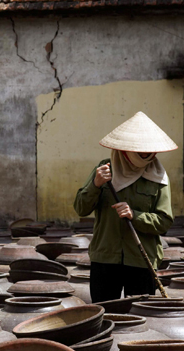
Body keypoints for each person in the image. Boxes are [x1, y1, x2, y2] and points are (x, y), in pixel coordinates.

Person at [73, 112, 176, 303]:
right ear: (125, 150)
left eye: (149, 151)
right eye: (140, 151)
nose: (145, 156)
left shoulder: (158, 177)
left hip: (141, 259)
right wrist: (95, 184)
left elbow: (164, 222)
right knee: (104, 314)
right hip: (105, 258)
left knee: (138, 319)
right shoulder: (104, 170)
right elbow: (80, 208)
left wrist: (134, 216)